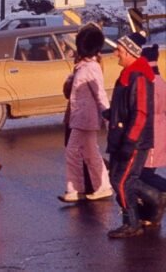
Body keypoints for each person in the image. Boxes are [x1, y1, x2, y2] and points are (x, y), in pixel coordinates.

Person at [104, 32, 156, 238]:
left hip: (133, 140)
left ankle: (132, 223)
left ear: (129, 52)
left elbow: (141, 112)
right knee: (117, 179)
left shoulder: (138, 76)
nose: (115, 53)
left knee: (122, 181)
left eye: (119, 50)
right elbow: (126, 106)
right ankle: (156, 198)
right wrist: (111, 113)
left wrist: (130, 141)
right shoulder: (127, 74)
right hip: (122, 136)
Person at [59, 24, 113, 203]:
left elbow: (100, 94)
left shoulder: (91, 67)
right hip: (81, 118)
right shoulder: (84, 66)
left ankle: (76, 188)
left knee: (73, 152)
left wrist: (108, 117)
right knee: (89, 153)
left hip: (85, 118)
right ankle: (100, 186)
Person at [136, 43, 166, 228]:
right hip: (158, 131)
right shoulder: (160, 82)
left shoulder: (151, 84)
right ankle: (151, 213)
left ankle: (157, 202)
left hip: (152, 133)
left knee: (144, 173)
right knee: (146, 173)